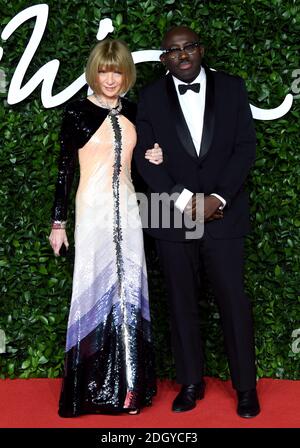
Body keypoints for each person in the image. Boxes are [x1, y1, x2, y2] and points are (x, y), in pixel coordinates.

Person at [134, 26, 260, 418]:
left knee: (234, 303)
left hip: (225, 216)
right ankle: (190, 383)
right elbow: (143, 160)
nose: (183, 54)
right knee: (181, 302)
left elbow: (245, 147)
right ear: (164, 59)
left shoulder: (232, 88)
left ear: (201, 50)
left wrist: (217, 198)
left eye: (189, 47)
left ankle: (245, 387)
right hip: (172, 218)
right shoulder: (149, 98)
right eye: (174, 50)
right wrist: (187, 200)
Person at [48, 39, 163, 417]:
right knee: (91, 287)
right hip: (93, 212)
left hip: (130, 213)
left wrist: (157, 155)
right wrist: (58, 222)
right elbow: (64, 170)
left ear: (125, 72)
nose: (110, 78)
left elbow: (146, 167)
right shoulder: (77, 112)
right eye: (103, 70)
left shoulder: (135, 111)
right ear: (94, 72)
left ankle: (130, 389)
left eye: (116, 70)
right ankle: (87, 392)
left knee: (130, 288)